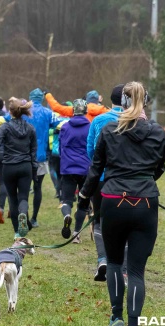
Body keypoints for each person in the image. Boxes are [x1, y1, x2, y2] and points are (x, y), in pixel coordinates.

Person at [78, 81, 165, 326]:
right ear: (145, 102)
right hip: (145, 203)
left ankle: (116, 318)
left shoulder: (108, 129)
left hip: (113, 200)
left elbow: (96, 169)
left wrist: (83, 201)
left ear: (123, 103)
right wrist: (144, 180)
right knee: (137, 271)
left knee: (115, 263)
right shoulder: (157, 132)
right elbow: (159, 167)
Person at [87, 84, 126, 282]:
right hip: (126, 181)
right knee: (125, 224)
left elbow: (90, 150)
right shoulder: (133, 121)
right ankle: (125, 268)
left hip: (101, 179)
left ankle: (103, 259)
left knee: (99, 221)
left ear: (110, 100)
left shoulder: (99, 120)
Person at [0, 98, 38, 238]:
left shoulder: (5, 127)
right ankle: (23, 214)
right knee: (23, 197)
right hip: (25, 166)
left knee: (12, 199)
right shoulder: (30, 128)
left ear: (10, 112)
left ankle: (17, 234)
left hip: (9, 167)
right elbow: (33, 153)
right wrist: (34, 172)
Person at [25, 88, 63, 227]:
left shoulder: (23, 111)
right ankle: (34, 219)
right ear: (41, 98)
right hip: (40, 156)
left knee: (24, 188)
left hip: (24, 156)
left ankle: (25, 216)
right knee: (37, 187)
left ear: (30, 98)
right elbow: (61, 123)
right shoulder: (48, 113)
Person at [58, 99, 91, 243]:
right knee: (83, 202)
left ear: (73, 111)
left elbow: (60, 148)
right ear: (85, 111)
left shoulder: (65, 127)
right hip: (85, 169)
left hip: (68, 168)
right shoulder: (90, 127)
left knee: (66, 200)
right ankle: (76, 234)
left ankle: (66, 215)